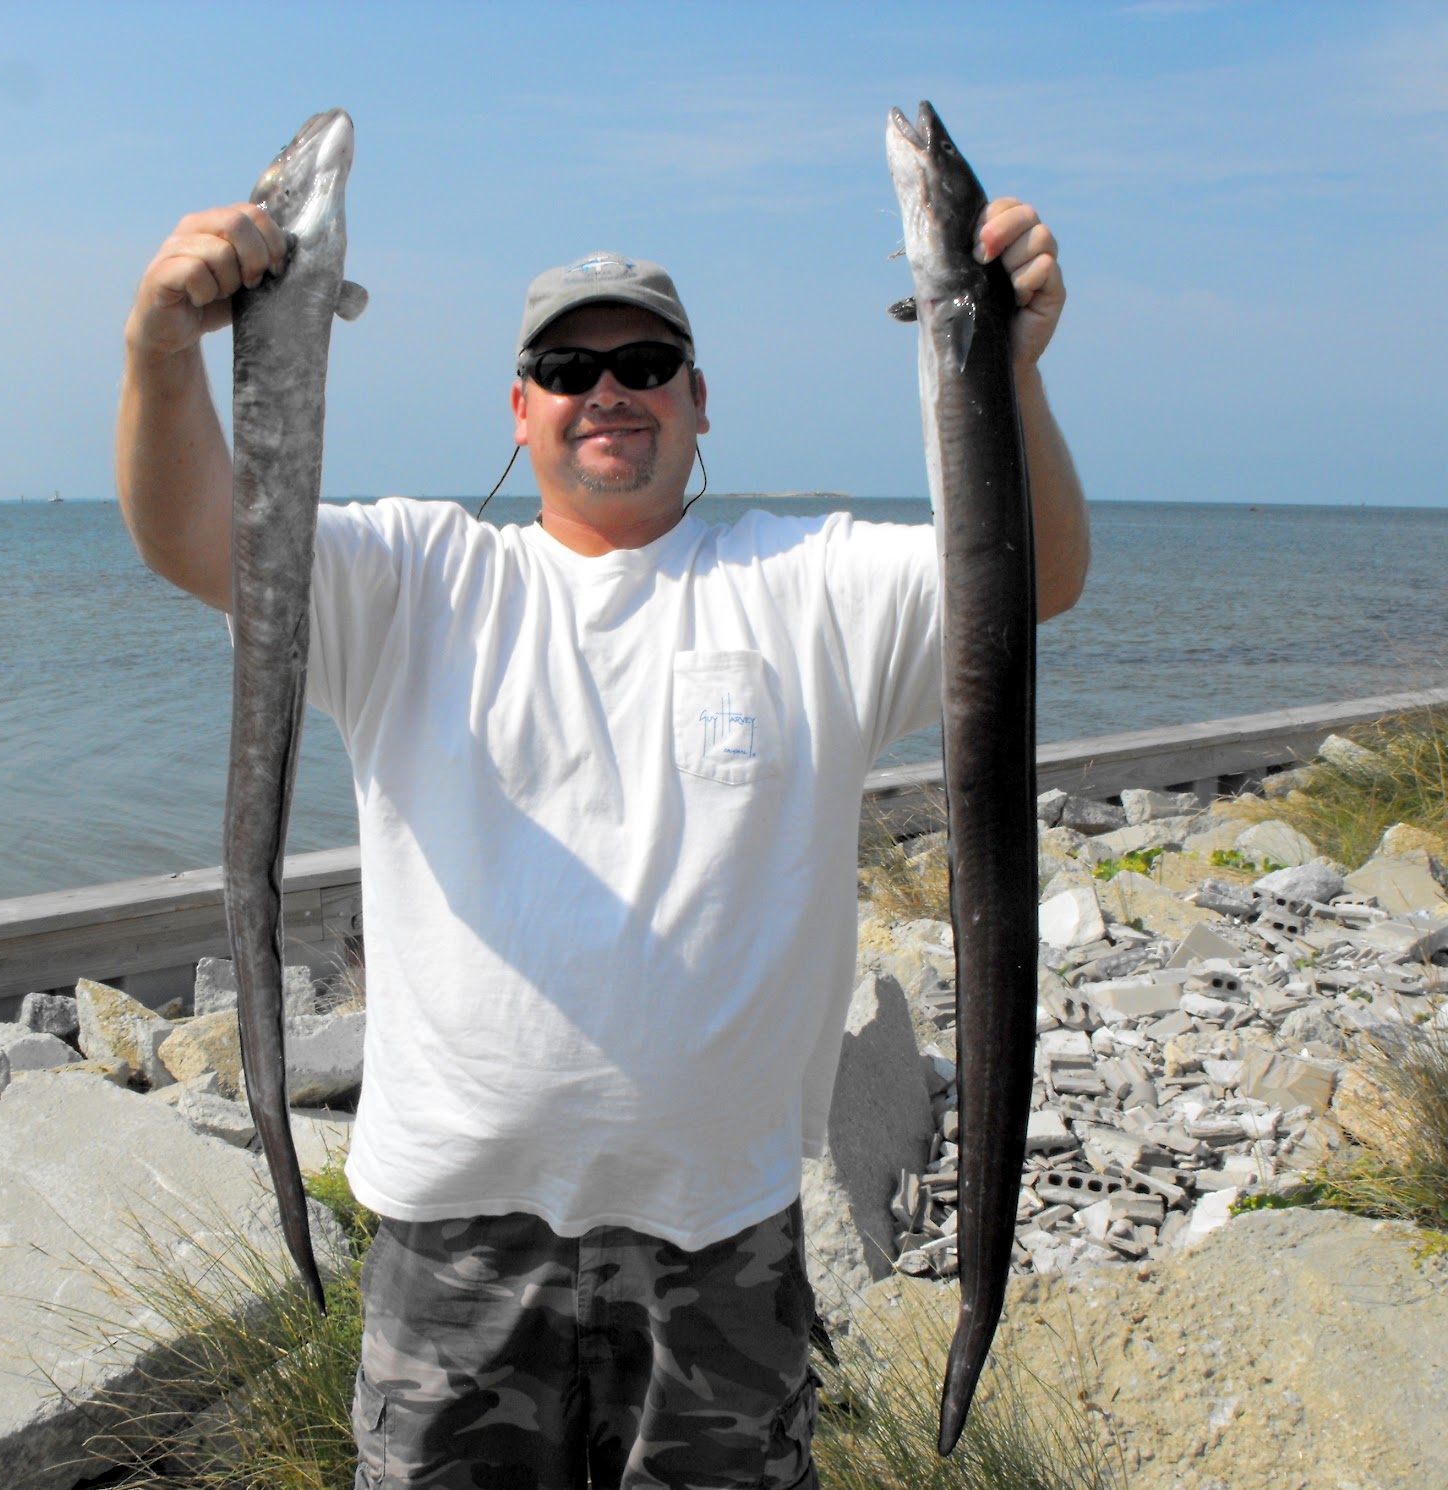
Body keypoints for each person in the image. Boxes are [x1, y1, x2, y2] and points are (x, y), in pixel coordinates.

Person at [117, 198, 1088, 1490]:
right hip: (455, 1229)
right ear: (519, 411)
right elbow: (196, 540)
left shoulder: (813, 583)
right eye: (568, 371)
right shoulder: (412, 577)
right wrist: (158, 351)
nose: (607, 393)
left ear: (697, 398)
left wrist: (1001, 363)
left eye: (643, 366)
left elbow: (1033, 577)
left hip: (721, 1229)